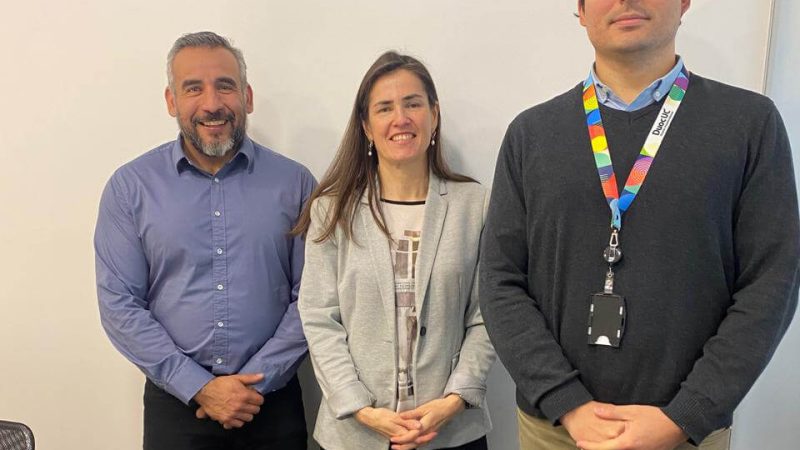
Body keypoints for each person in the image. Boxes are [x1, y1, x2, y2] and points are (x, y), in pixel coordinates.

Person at [480, 1, 799, 449]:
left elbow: (772, 282)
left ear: (684, 3)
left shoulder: (750, 124)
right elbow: (500, 281)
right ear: (581, 10)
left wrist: (687, 414)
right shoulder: (529, 135)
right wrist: (565, 401)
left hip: (685, 433)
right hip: (553, 429)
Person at [94, 31, 315, 450]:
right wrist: (197, 386)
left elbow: (314, 295)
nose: (212, 103)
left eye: (225, 86)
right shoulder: (130, 188)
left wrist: (255, 382)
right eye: (193, 88)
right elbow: (119, 304)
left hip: (273, 406)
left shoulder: (296, 184)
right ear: (171, 101)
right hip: (177, 406)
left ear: (247, 96)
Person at [295, 51, 495, 450]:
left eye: (413, 104)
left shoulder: (475, 206)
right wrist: (360, 408)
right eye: (384, 108)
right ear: (367, 127)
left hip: (451, 432)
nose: (400, 118)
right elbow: (319, 318)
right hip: (356, 433)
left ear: (434, 115)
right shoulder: (332, 211)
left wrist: (454, 400)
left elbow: (487, 315)